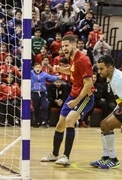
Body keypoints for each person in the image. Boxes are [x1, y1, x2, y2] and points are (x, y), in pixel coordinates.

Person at [41, 34, 94, 165]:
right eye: (62, 46)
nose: (64, 48)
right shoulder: (72, 58)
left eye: (66, 45)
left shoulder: (83, 59)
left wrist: (76, 101)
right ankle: (54, 154)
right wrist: (60, 69)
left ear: (74, 45)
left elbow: (89, 84)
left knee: (70, 120)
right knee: (60, 124)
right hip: (73, 94)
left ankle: (66, 156)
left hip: (85, 97)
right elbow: (73, 72)